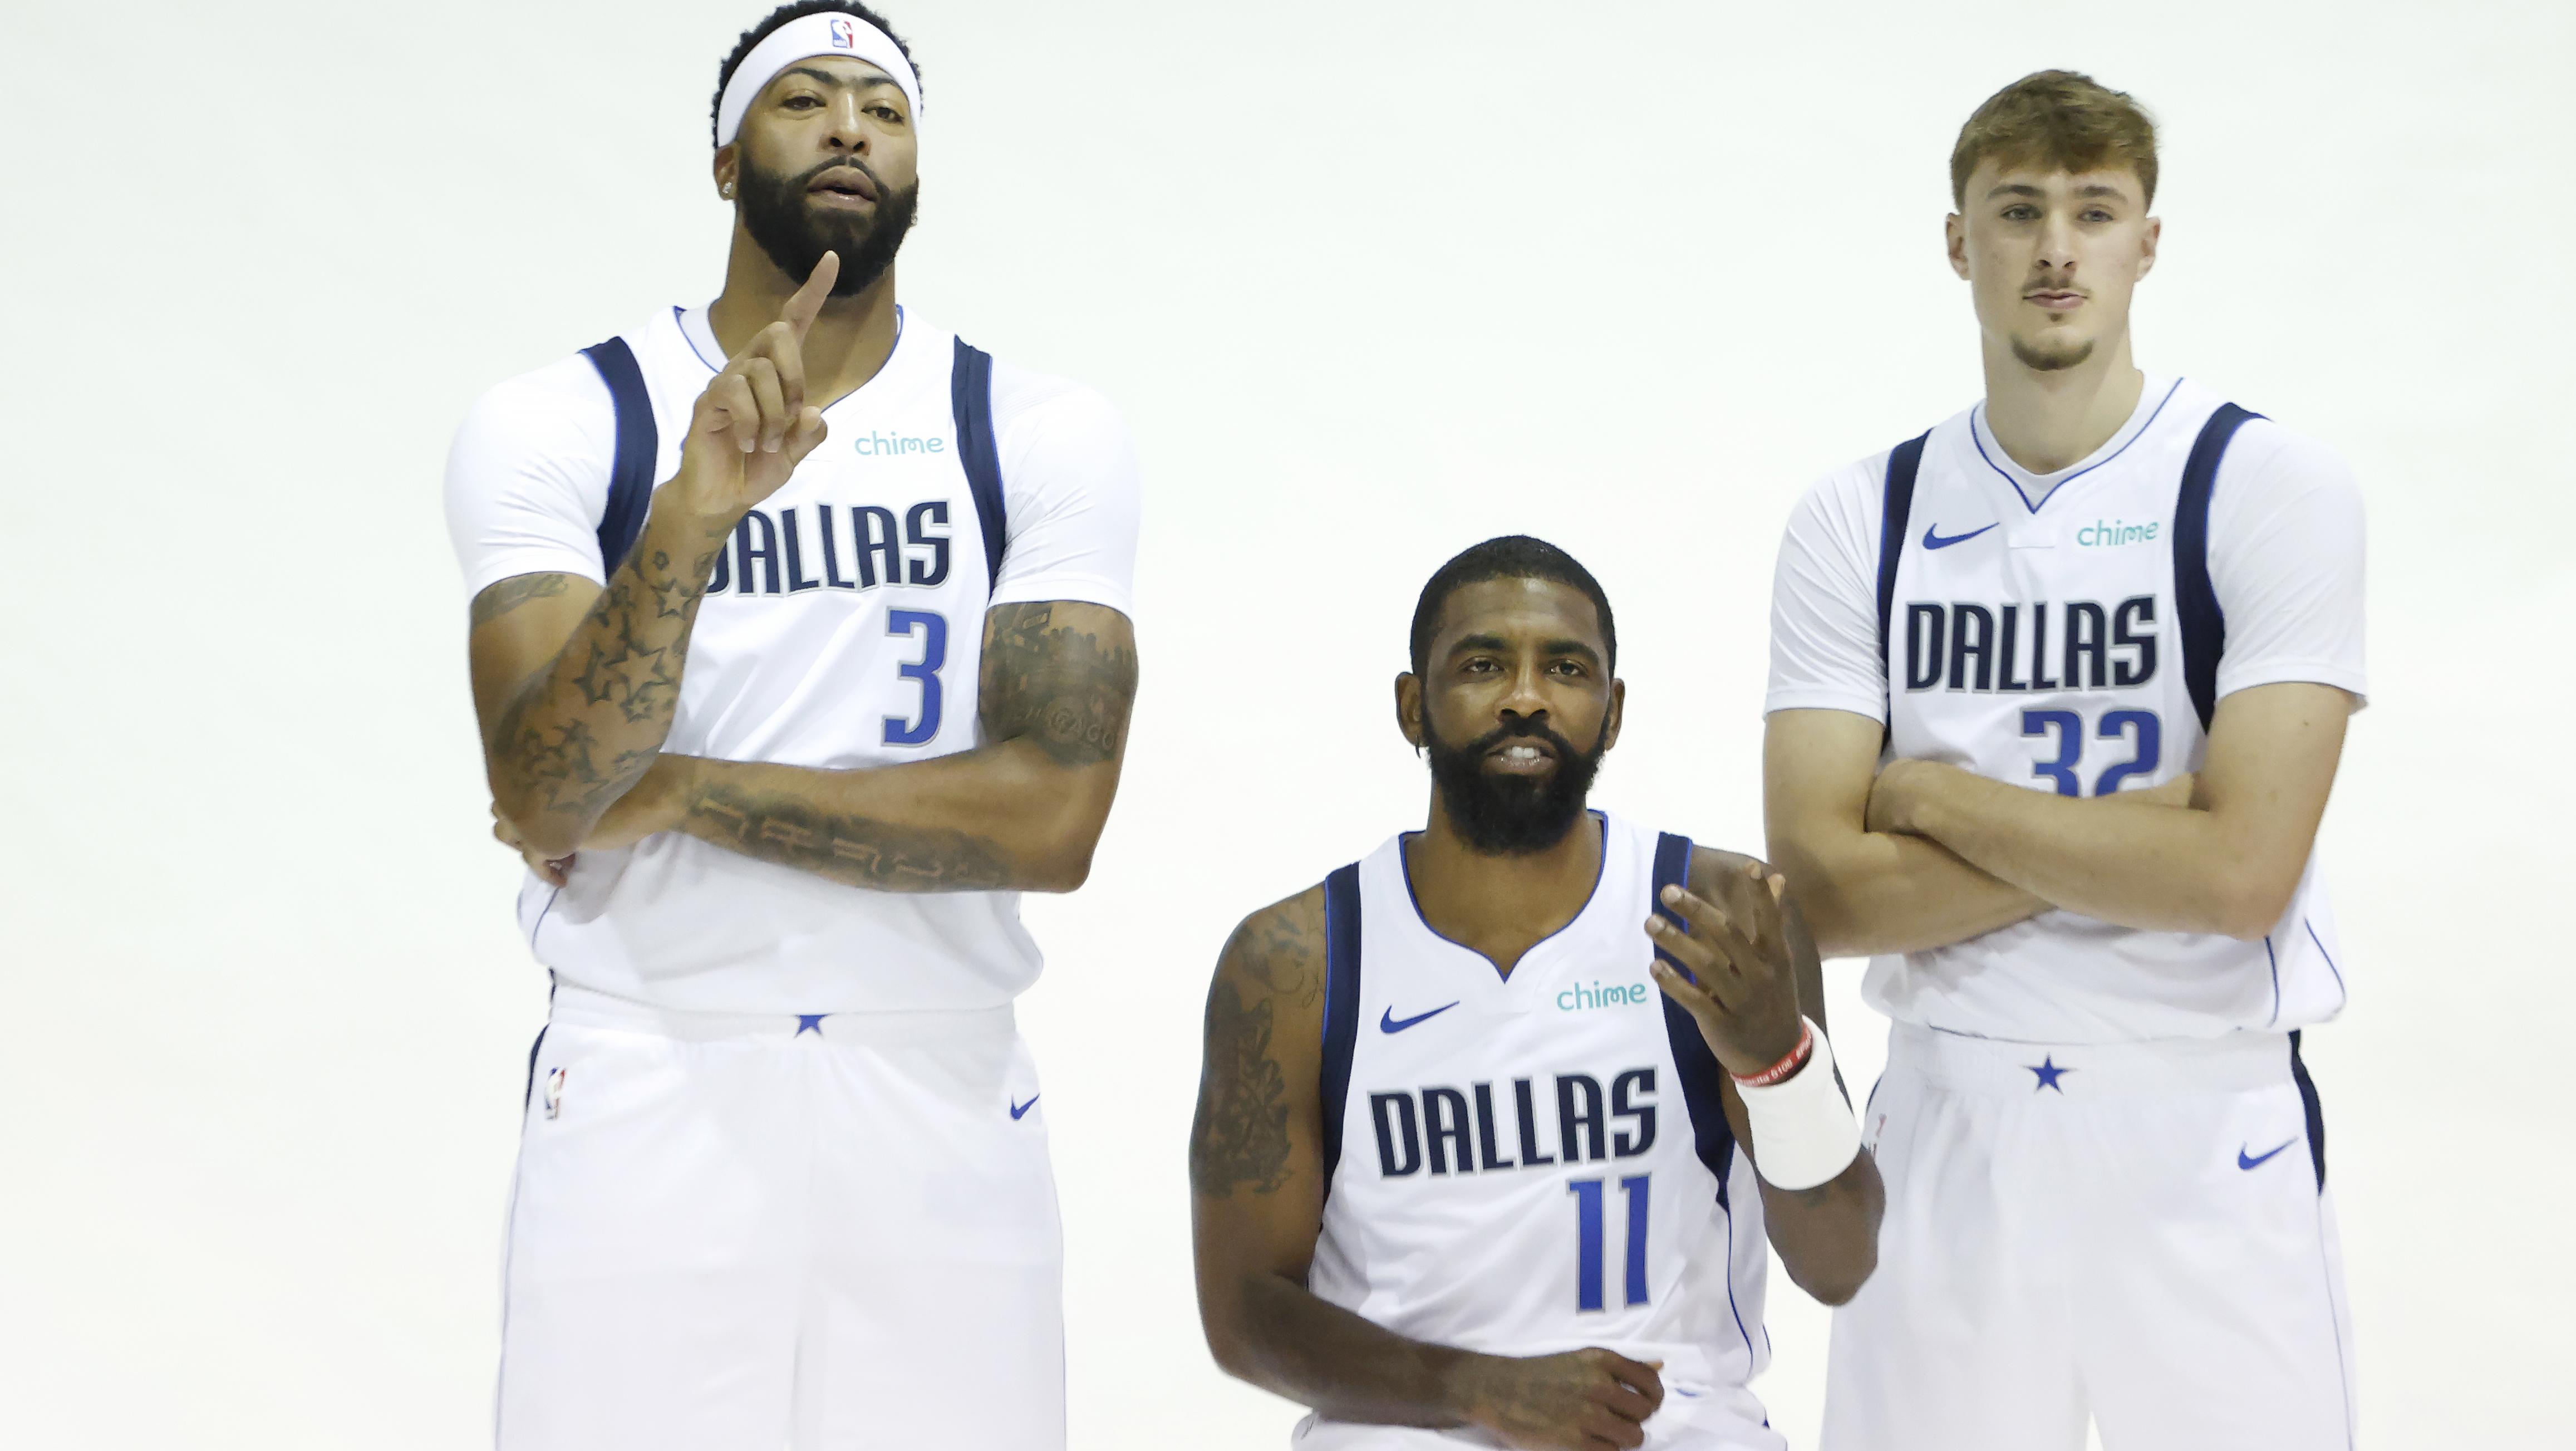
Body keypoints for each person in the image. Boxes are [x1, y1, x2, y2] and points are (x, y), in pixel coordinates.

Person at [442, 5, 1140, 1447]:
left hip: (934, 1070)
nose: (847, 128)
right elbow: (553, 789)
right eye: (804, 99)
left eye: (883, 108)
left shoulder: (1029, 426)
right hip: (651, 1061)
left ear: (917, 170)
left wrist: (680, 787)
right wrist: (691, 509)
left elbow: (1051, 818)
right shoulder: (571, 417)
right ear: (721, 158)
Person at [1762, 71, 2364, 1450]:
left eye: (2094, 211)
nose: (2055, 248)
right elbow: (1826, 901)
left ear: (2147, 241)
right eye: (2017, 209)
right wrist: (2148, 835)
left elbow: (2240, 877)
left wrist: (1929, 796)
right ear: (1957, 240)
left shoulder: (2270, 487)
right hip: (1948, 1120)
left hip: (2204, 1124)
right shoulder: (1863, 517)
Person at [1191, 537, 1882, 1450]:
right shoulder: (1295, 960)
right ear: (1412, 705)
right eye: (1484, 664)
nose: (1527, 695)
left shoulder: (1721, 914)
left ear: (1613, 709)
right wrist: (1474, 1387)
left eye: (1566, 667)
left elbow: (1841, 1263)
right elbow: (1244, 1313)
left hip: (1671, 1430)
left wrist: (1776, 1064)